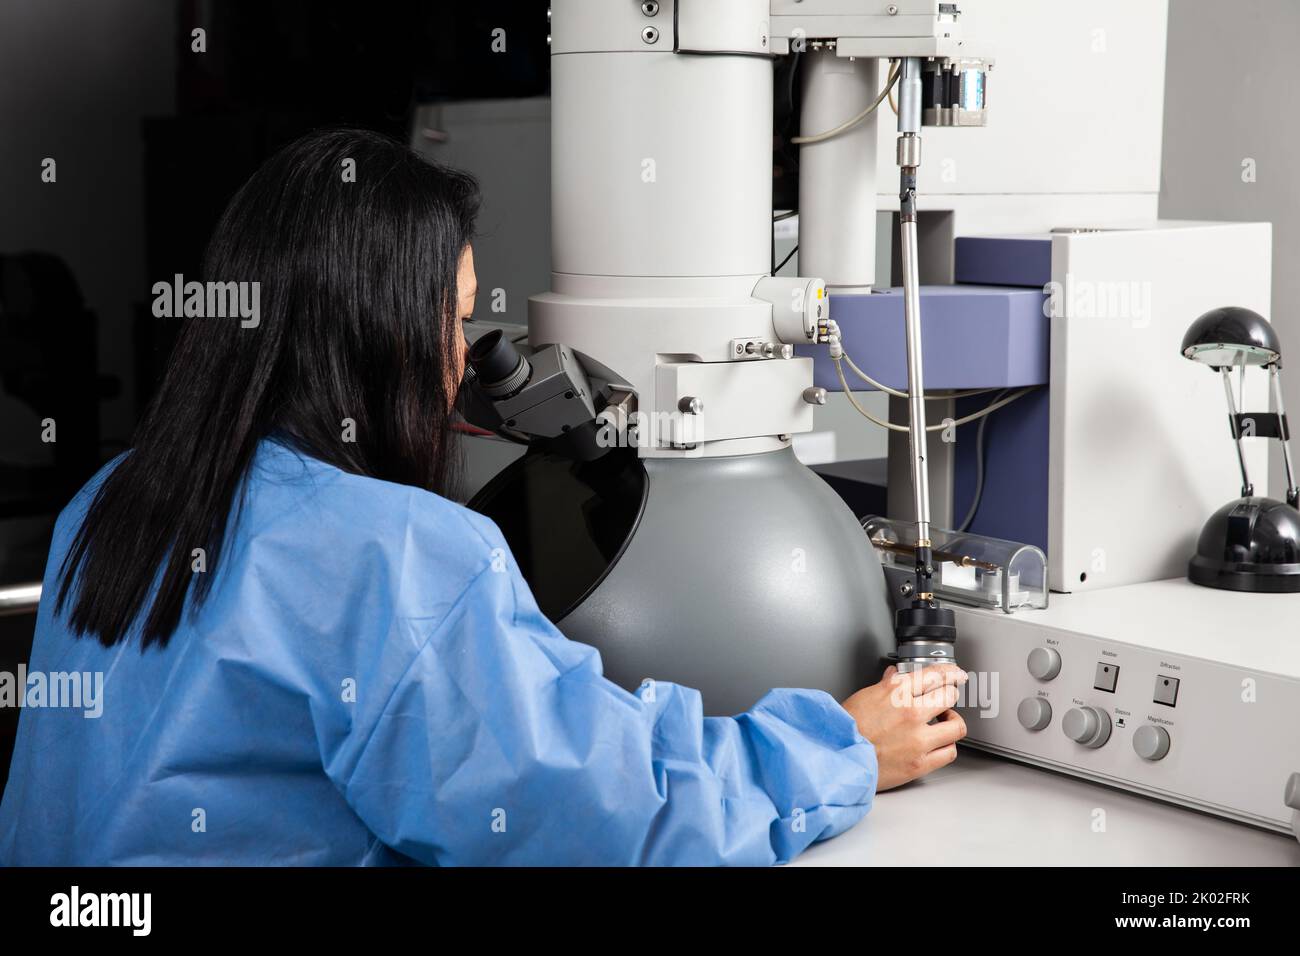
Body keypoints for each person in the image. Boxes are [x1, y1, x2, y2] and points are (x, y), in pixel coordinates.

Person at [0, 128, 967, 866]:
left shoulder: (110, 500)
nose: (467, 361)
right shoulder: (393, 553)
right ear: (380, 334)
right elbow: (599, 812)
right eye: (457, 319)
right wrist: (840, 746)